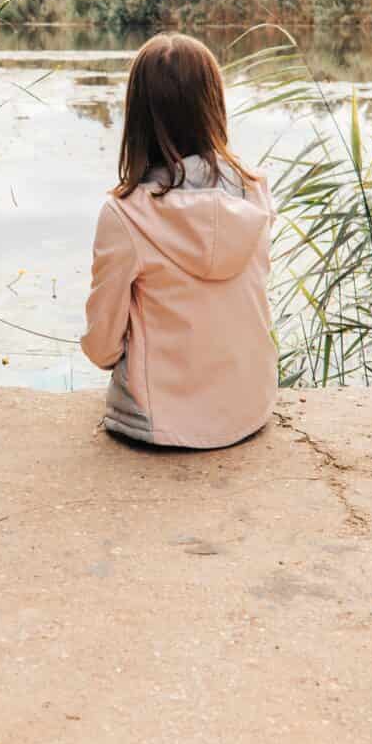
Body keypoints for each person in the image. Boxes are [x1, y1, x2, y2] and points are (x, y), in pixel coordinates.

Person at [80, 33, 277, 449]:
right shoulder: (256, 191)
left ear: (137, 116)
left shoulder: (125, 214)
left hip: (159, 424)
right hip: (249, 409)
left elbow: (101, 348)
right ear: (214, 105)